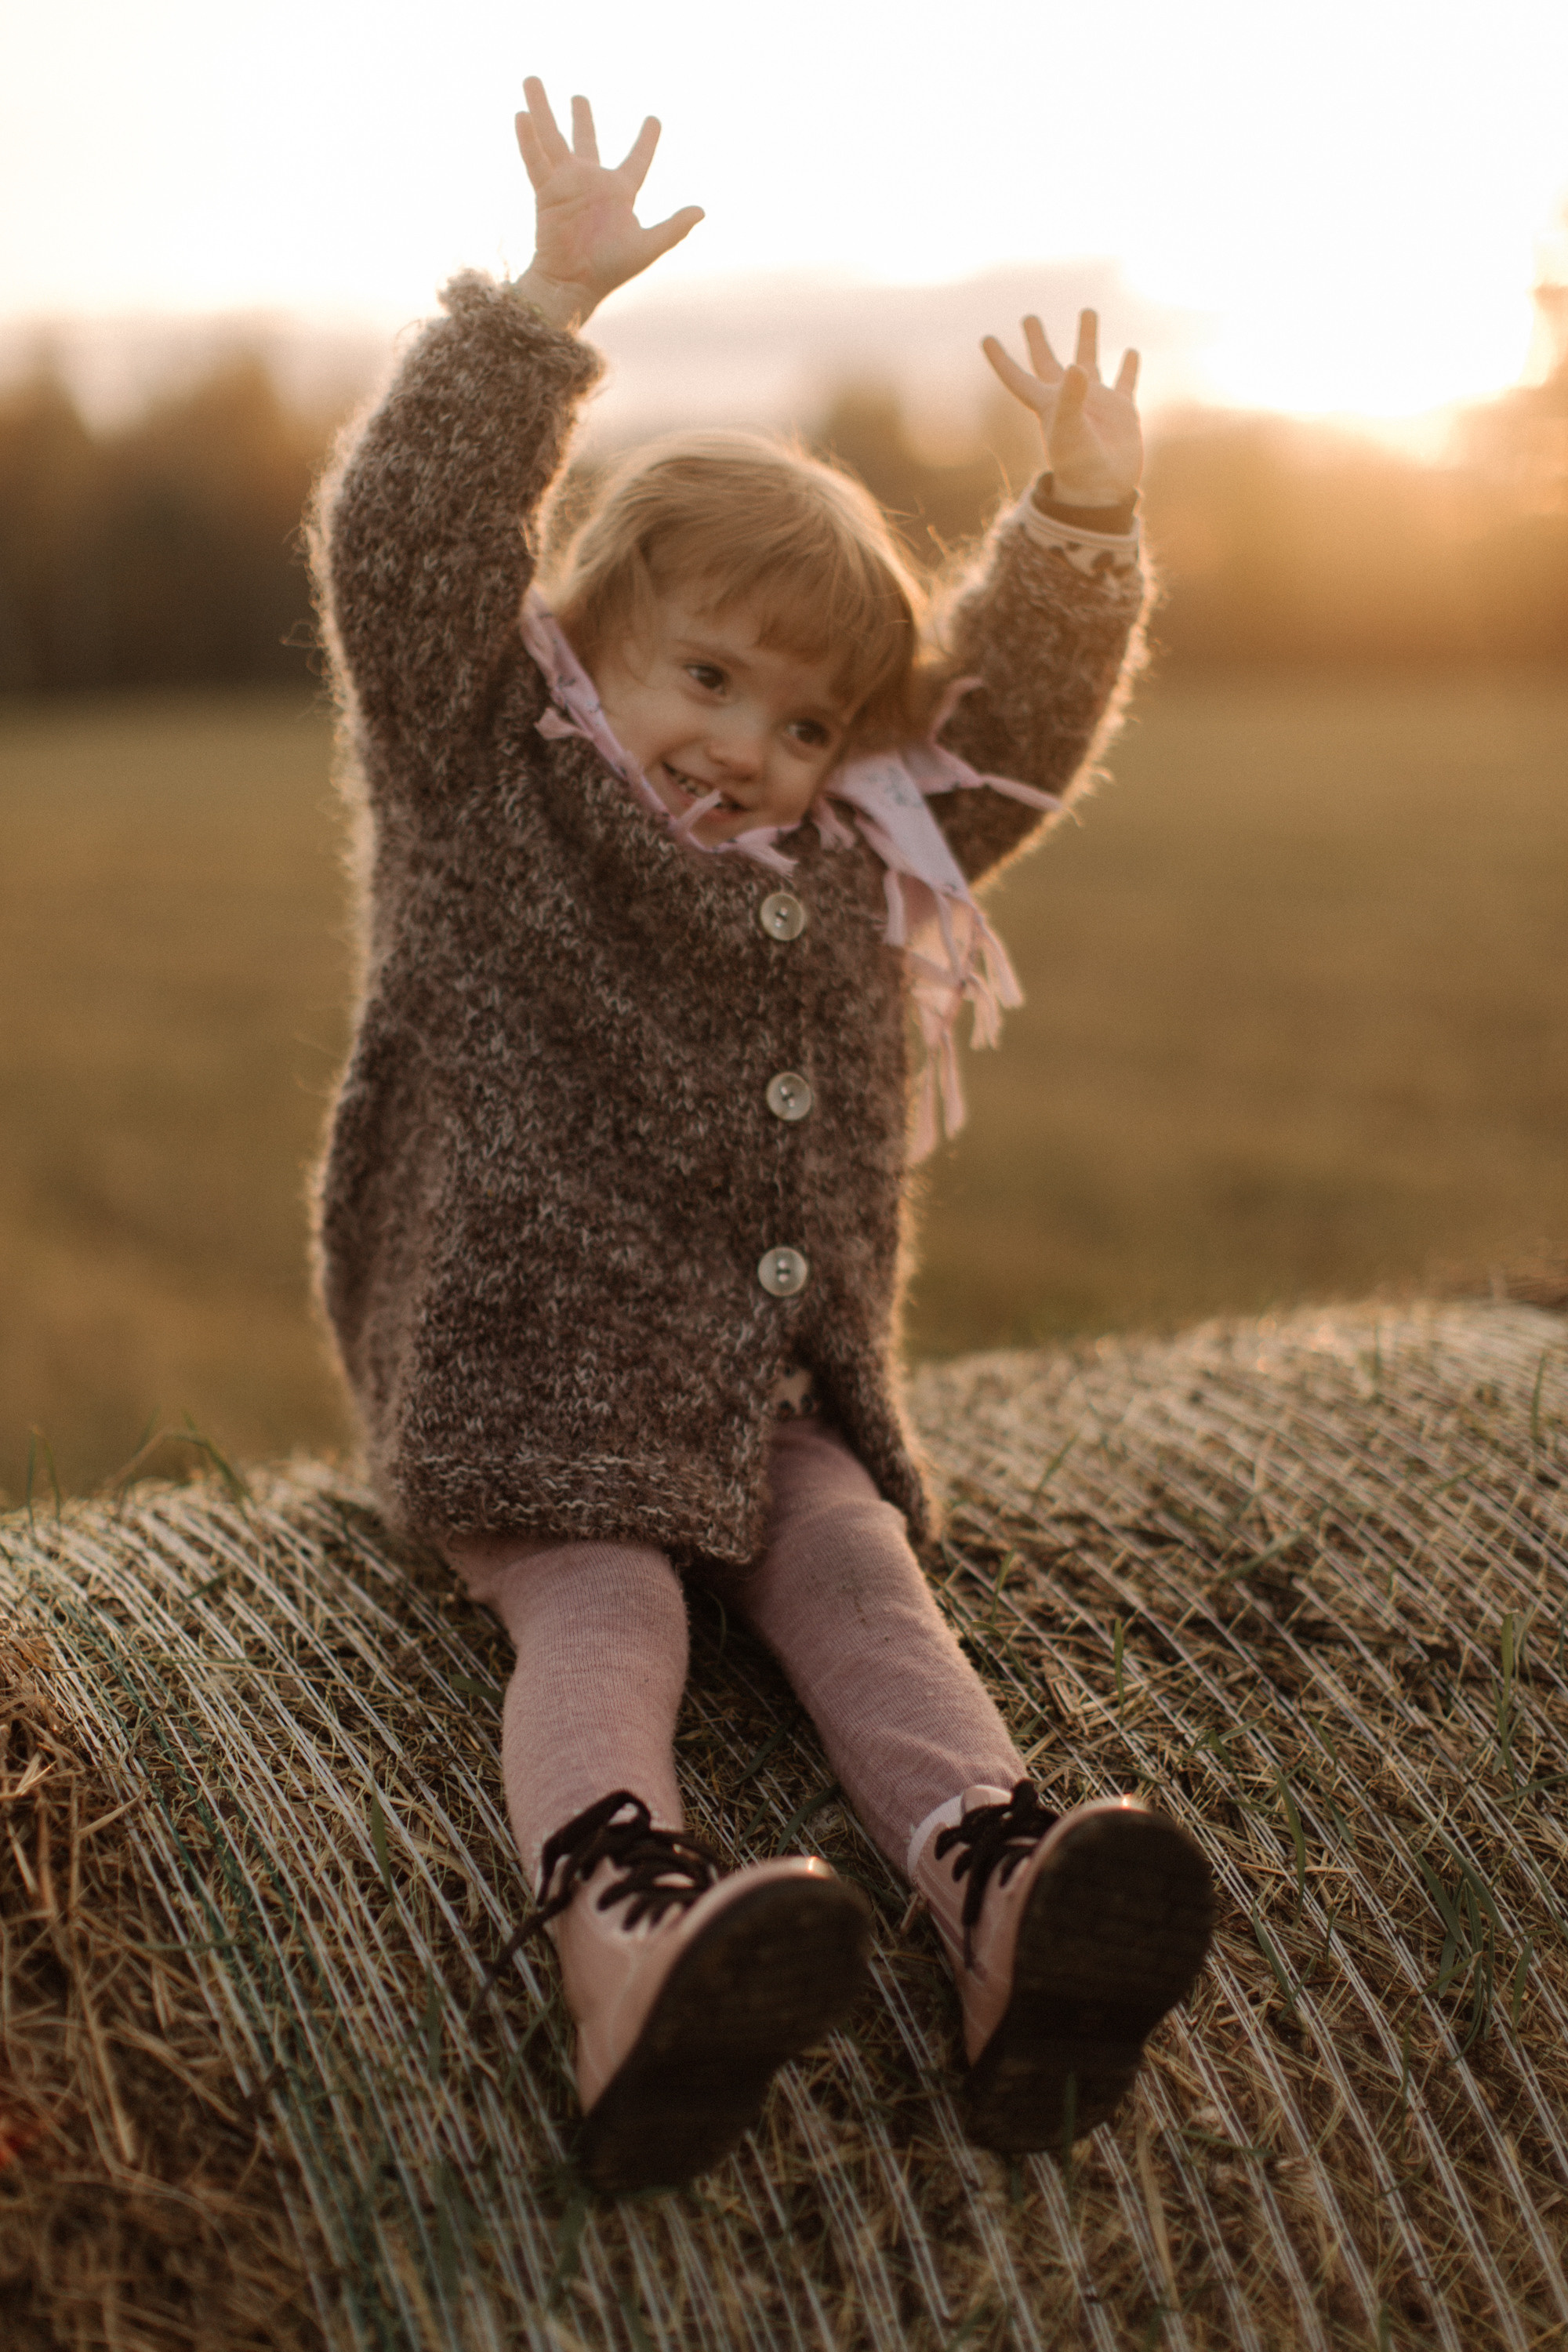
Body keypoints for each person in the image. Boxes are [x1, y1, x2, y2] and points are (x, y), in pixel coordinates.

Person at [311, 77, 1214, 2198]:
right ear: (581, 642)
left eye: (807, 722)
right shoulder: (486, 780)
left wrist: (1081, 524)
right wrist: (535, 315)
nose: (751, 746)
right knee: (610, 1612)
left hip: (766, 1392)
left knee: (859, 1569)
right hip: (524, 1383)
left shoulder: (845, 861)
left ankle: (999, 1894)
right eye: (705, 678)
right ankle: (624, 1936)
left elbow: (1002, 742)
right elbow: (403, 549)